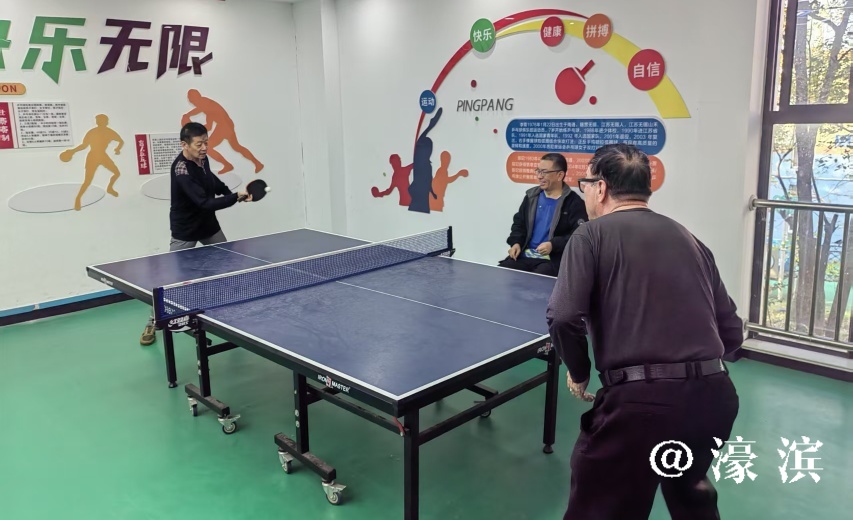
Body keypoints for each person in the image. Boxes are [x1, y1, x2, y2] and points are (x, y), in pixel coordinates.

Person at [545, 143, 743, 520]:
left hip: (640, 406)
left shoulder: (590, 236)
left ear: (601, 188)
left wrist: (579, 371)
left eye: (585, 185)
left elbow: (563, 315)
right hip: (714, 399)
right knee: (689, 491)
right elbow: (731, 329)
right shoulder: (690, 239)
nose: (585, 193)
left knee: (600, 507)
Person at [140, 122, 251, 346]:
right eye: (199, 144)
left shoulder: (203, 159)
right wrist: (235, 197)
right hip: (186, 229)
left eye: (206, 143)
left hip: (207, 225)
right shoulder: (181, 169)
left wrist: (228, 192)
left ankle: (232, 310)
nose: (204, 148)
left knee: (227, 263)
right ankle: (153, 320)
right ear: (185, 145)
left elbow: (211, 180)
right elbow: (204, 202)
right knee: (172, 278)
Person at [498, 153, 587, 276]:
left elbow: (579, 235)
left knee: (539, 280)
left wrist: (553, 245)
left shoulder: (573, 202)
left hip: (551, 260)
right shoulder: (531, 197)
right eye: (538, 171)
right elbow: (519, 223)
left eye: (544, 172)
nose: (539, 176)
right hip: (524, 255)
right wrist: (516, 242)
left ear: (560, 175)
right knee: (503, 272)